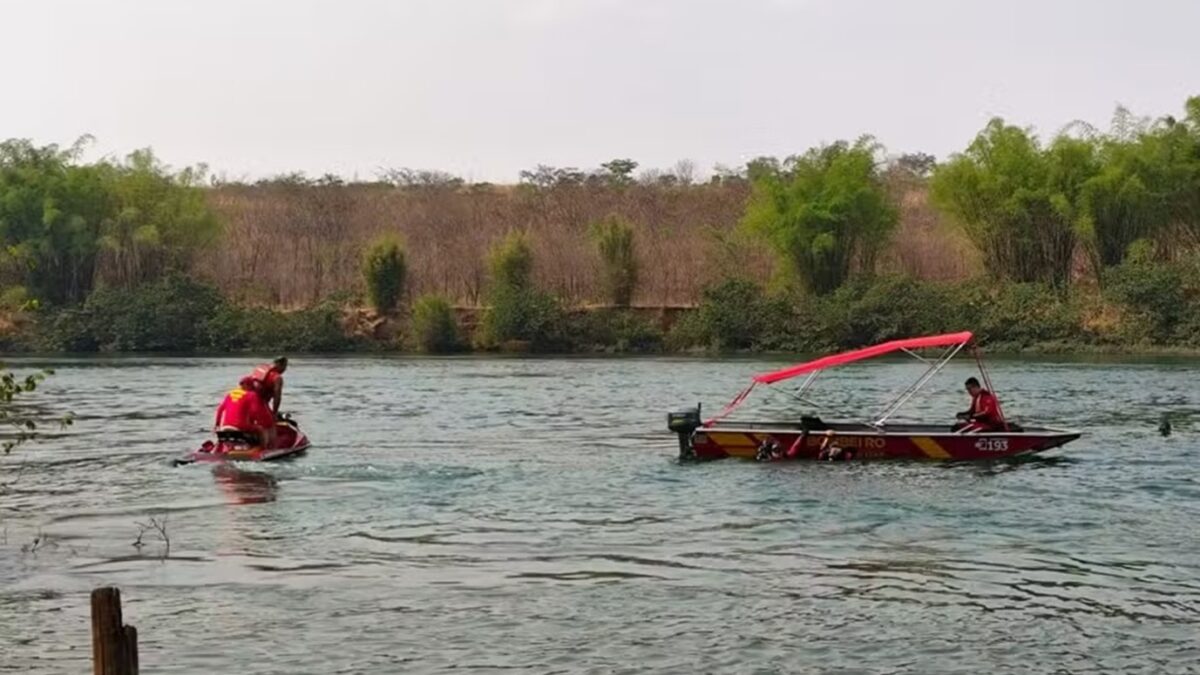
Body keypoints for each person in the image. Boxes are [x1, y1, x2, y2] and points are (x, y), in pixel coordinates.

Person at [214, 377, 276, 448]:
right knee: (261, 429)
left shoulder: (230, 394)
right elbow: (256, 411)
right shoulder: (251, 395)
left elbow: (220, 410)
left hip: (225, 426)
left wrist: (217, 424)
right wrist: (263, 422)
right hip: (241, 426)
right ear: (248, 386)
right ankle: (264, 448)